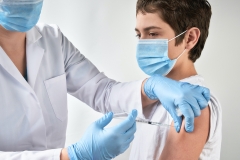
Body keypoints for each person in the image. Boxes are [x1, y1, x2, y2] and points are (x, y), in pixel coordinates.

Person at [0, 0, 210, 159]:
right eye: (140, 35)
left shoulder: (52, 40)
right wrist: (73, 155)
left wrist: (149, 87)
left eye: (153, 34)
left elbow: (103, 92)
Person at [130, 0, 222, 159]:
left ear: (190, 38)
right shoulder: (152, 94)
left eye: (152, 34)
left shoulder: (193, 103)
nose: (142, 43)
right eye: (139, 34)